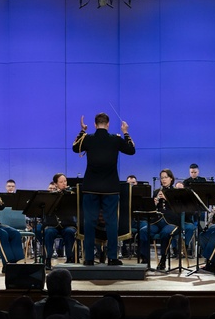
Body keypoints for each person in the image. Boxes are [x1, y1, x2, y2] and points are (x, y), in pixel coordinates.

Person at [72, 112, 135, 266]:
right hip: (110, 188)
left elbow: (75, 148)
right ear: (108, 124)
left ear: (94, 124)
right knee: (112, 223)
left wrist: (82, 130)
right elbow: (131, 150)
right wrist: (126, 132)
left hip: (91, 187)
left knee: (89, 223)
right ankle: (112, 257)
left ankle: (88, 259)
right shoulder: (116, 139)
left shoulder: (87, 138)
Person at [140, 169, 179, 270]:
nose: (164, 180)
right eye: (162, 178)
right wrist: (154, 204)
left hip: (171, 222)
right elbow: (151, 210)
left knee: (165, 233)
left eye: (166, 177)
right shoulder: (156, 192)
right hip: (157, 221)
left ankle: (163, 259)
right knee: (143, 231)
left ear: (171, 179)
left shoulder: (176, 192)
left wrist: (167, 199)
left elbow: (179, 209)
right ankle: (145, 260)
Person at [40, 173, 77, 268]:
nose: (64, 183)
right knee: (48, 232)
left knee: (70, 232)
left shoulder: (71, 195)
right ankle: (47, 259)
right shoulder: (50, 196)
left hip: (67, 224)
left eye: (65, 181)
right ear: (56, 184)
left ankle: (70, 258)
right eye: (61, 182)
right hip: (52, 224)